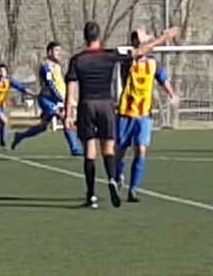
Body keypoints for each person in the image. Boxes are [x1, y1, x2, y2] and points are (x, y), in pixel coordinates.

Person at [64, 21, 178, 209]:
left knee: (90, 153)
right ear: (99, 36)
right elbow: (140, 51)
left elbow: (71, 87)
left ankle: (91, 194)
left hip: (87, 105)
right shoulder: (109, 55)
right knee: (109, 149)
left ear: (85, 37)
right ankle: (112, 179)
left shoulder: (77, 60)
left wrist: (68, 113)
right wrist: (165, 38)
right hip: (107, 106)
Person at [114, 29, 177, 203]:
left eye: (139, 38)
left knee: (141, 149)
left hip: (144, 114)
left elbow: (162, 79)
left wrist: (171, 93)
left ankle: (133, 190)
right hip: (126, 112)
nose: (136, 42)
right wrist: (164, 38)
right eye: (135, 39)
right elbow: (138, 52)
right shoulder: (128, 59)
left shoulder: (153, 63)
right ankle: (118, 177)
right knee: (120, 151)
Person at [11, 42, 82, 156]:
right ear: (50, 52)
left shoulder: (57, 66)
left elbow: (59, 84)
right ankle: (74, 149)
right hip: (47, 99)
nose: (59, 53)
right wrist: (61, 98)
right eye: (56, 50)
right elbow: (50, 84)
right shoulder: (46, 67)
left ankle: (20, 135)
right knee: (64, 118)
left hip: (56, 99)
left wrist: (66, 97)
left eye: (60, 50)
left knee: (42, 126)